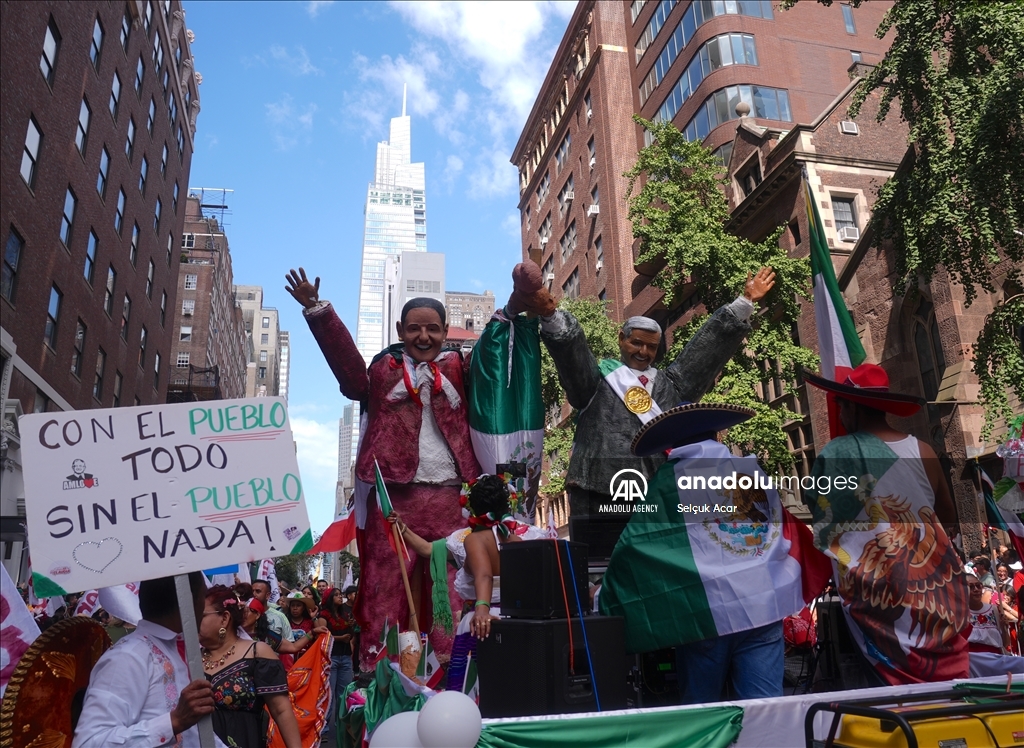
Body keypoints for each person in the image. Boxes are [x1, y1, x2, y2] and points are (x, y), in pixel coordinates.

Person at [287, 267, 493, 669]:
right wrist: (318, 310)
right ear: (400, 329)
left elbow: (493, 366)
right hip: (394, 492)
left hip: (452, 495)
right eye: (415, 329)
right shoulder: (382, 370)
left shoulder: (458, 368)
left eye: (433, 329)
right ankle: (376, 665)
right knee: (385, 581)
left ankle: (454, 662)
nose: (424, 337)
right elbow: (351, 379)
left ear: (445, 329)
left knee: (452, 580)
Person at [597, 403, 832, 704]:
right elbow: (779, 528)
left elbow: (640, 545)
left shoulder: (670, 482)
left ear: (675, 443)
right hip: (763, 606)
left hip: (706, 615)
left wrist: (601, 595)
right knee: (767, 708)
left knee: (702, 710)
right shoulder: (751, 471)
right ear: (716, 435)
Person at [533, 265, 776, 526]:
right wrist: (550, 315)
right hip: (597, 489)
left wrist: (745, 302)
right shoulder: (596, 381)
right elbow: (574, 356)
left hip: (657, 494)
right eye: (636, 343)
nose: (643, 352)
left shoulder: (672, 385)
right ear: (621, 339)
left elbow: (707, 349)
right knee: (601, 563)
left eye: (651, 346)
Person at [804, 363, 970, 686]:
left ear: (851, 407)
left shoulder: (836, 455)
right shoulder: (922, 450)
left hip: (878, 608)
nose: (840, 415)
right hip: (939, 602)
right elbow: (948, 518)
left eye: (841, 407)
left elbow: (825, 526)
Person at [390, 473, 554, 693]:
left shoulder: (468, 538)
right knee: (517, 688)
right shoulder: (529, 534)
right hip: (523, 621)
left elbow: (480, 573)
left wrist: (482, 608)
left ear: (470, 506)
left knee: (475, 690)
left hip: (480, 620)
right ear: (508, 502)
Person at [73, 572, 218, 748]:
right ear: (188, 601)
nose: (204, 608)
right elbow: (88, 743)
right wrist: (173, 721)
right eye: (203, 596)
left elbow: (195, 737)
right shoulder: (126, 658)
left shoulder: (179, 650)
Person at [200, 585, 302, 748]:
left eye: (201, 615)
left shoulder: (257, 653)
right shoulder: (190, 657)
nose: (193, 621)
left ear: (225, 618)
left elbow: (281, 711)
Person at [965, 573, 1024, 676]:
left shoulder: (993, 610)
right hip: (973, 666)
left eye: (978, 585)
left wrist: (1004, 628)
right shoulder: (959, 614)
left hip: (995, 664)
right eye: (970, 586)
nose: (976, 589)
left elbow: (1005, 643)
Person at [318, 587, 358, 740]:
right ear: (329, 598)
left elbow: (352, 635)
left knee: (344, 693)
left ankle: (341, 725)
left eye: (340, 595)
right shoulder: (323, 615)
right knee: (329, 694)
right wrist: (340, 638)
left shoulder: (346, 614)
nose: (340, 597)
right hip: (331, 658)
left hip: (345, 657)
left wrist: (352, 627)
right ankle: (324, 728)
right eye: (336, 595)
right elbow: (322, 637)